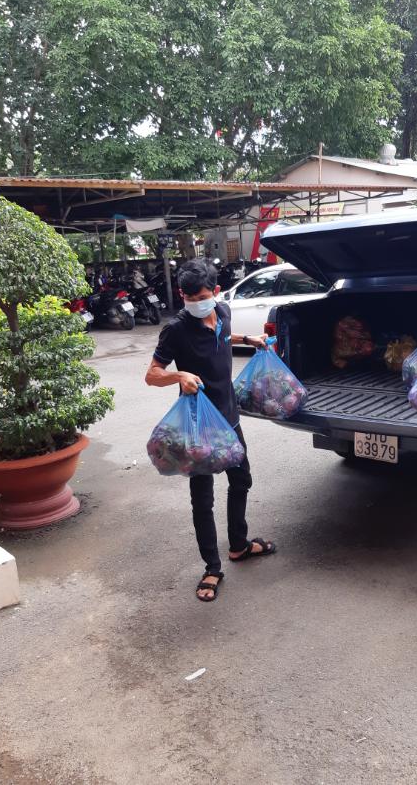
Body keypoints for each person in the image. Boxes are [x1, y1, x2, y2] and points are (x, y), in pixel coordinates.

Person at [145, 258, 276, 602]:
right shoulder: (176, 329)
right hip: (199, 428)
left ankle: (238, 545)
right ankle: (212, 567)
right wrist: (178, 375)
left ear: (215, 292)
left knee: (241, 480)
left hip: (229, 419)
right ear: (181, 295)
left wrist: (248, 338)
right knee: (202, 499)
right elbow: (152, 373)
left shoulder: (223, 310)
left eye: (201, 296)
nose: (195, 304)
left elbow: (221, 334)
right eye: (188, 298)